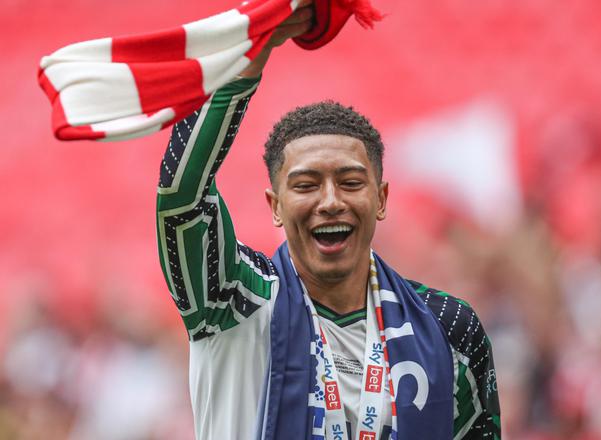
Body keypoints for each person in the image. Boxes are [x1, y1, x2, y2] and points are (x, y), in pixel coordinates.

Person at [156, 3, 500, 439]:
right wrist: (244, 60)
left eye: (351, 182)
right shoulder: (233, 299)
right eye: (306, 185)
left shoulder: (449, 327)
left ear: (381, 198)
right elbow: (182, 198)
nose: (331, 201)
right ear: (276, 206)